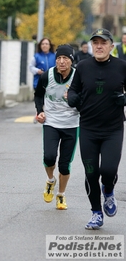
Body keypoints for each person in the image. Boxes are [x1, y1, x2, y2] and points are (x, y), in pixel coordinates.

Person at [67, 28, 126, 230]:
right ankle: (96, 212)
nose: (99, 46)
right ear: (92, 46)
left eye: (103, 42)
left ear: (111, 46)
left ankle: (108, 191)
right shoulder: (83, 67)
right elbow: (73, 89)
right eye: (96, 43)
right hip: (89, 129)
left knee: (108, 170)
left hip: (113, 129)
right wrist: (74, 98)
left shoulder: (121, 67)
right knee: (91, 173)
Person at [34, 44, 79, 210]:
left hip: (72, 124)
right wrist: (40, 111)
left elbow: (85, 101)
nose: (61, 62)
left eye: (65, 58)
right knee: (49, 158)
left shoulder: (77, 77)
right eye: (59, 58)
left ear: (71, 61)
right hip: (51, 122)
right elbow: (38, 95)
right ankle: (50, 180)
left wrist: (74, 99)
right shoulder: (47, 75)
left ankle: (61, 195)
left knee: (65, 165)